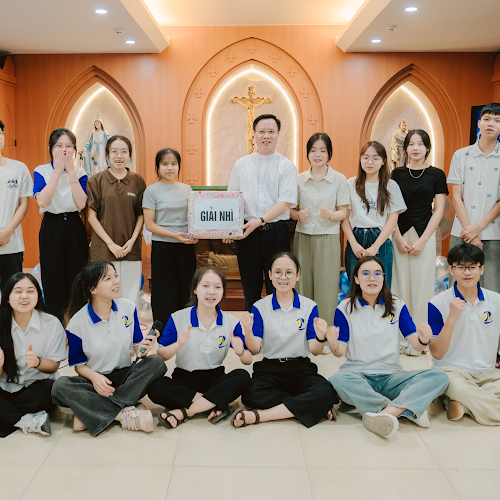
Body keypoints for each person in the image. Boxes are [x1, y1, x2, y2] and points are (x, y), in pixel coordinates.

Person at [329, 256, 449, 438]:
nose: (372, 278)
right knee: (338, 380)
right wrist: (332, 343)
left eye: (377, 273)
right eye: (366, 273)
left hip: (392, 376)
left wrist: (424, 340)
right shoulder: (345, 307)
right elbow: (340, 351)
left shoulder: (396, 304)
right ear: (356, 279)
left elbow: (415, 344)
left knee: (439, 377)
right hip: (358, 375)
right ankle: (402, 409)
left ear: (383, 278)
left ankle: (386, 413)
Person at [51, 261, 167, 437]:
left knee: (157, 362)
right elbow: (79, 365)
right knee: (59, 387)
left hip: (126, 377)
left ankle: (92, 411)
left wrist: (145, 348)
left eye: (116, 276)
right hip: (96, 382)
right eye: (108, 279)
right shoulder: (77, 323)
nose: (116, 281)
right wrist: (94, 377)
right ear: (92, 289)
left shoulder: (128, 307)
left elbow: (137, 349)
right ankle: (122, 413)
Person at [231, 252, 337, 428]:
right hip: (270, 369)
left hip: (300, 368)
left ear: (297, 275)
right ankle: (310, 405)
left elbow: (315, 350)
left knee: (326, 390)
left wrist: (320, 337)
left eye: (289, 272)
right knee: (251, 394)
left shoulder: (309, 306)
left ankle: (260, 416)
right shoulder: (260, 306)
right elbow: (255, 349)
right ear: (270, 275)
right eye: (278, 272)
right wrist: (248, 331)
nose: (283, 277)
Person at [148, 267, 251, 428]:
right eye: (205, 286)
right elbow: (161, 354)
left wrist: (241, 351)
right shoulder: (178, 318)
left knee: (243, 376)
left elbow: (248, 360)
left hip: (215, 379)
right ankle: (213, 402)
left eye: (217, 287)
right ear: (195, 289)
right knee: (155, 387)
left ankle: (184, 412)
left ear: (223, 291)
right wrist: (178, 344)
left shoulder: (231, 322)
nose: (211, 292)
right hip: (184, 380)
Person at [225, 114, 298, 311]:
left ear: (278, 134)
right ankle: (253, 328)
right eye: (262, 132)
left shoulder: (287, 166)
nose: (266, 136)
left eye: (271, 132)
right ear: (254, 134)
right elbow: (231, 199)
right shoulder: (241, 165)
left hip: (276, 234)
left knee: (278, 288)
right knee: (250, 289)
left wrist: (260, 220)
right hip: (247, 235)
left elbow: (285, 203)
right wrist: (228, 228)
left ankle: (276, 327)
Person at [428, 243, 500, 425]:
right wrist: (452, 318)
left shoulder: (496, 300)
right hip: (452, 372)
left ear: (482, 269)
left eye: (472, 267)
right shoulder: (437, 303)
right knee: (455, 386)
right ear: (451, 270)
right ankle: (464, 398)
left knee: (474, 390)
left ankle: (463, 405)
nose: (467, 272)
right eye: (461, 267)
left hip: (487, 373)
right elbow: (437, 353)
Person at [391, 129, 448, 355]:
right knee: (399, 286)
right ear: (405, 148)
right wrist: (397, 236)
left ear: (427, 148)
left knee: (423, 287)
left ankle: (420, 338)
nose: (415, 148)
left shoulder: (436, 174)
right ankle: (400, 337)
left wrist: (424, 241)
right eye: (411, 144)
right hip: (400, 235)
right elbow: (390, 208)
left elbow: (439, 209)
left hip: (425, 235)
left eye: (420, 144)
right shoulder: (396, 174)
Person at [290, 132, 349, 326]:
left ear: (329, 153)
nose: (318, 154)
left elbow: (344, 213)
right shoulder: (299, 179)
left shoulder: (339, 179)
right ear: (308, 153)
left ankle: (323, 331)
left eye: (323, 150)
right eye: (313, 150)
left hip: (328, 238)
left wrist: (330, 215)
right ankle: (304, 330)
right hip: (303, 237)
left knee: (326, 288)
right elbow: (290, 210)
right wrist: (298, 215)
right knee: (302, 285)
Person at [0, 273, 65, 437]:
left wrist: (37, 363)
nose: (24, 296)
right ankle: (25, 420)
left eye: (30, 291)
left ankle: (7, 415)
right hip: (5, 386)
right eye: (18, 291)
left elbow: (54, 366)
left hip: (37, 388)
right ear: (7, 298)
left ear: (38, 296)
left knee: (53, 389)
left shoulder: (51, 324)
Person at [33, 128, 88, 321]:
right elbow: (42, 201)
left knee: (76, 277)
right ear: (51, 148)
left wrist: (71, 172)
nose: (64, 150)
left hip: (74, 225)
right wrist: (57, 171)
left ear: (74, 149)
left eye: (68, 146)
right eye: (59, 145)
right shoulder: (41, 171)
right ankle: (55, 324)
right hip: (51, 226)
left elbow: (81, 203)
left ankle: (76, 324)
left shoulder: (80, 172)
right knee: (53, 278)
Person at [447, 103, 500, 293]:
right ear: (479, 123)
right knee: (458, 288)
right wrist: (470, 231)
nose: (490, 124)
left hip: (493, 235)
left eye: (497, 120)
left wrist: (477, 229)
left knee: (491, 288)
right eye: (486, 119)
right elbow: (456, 196)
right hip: (461, 231)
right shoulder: (461, 155)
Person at [86, 135, 146, 304]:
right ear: (107, 155)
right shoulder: (96, 180)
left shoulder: (138, 181)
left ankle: (128, 323)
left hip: (130, 250)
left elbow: (141, 214)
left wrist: (132, 241)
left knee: (130, 298)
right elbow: (91, 216)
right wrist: (110, 244)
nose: (119, 156)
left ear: (130, 155)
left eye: (124, 152)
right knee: (104, 298)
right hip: (103, 250)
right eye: (114, 152)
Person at [143, 148, 198, 329]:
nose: (170, 168)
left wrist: (196, 234)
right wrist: (174, 235)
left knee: (186, 289)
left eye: (174, 163)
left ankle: (184, 330)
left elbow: (194, 219)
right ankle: (163, 332)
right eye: (165, 164)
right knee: (164, 292)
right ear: (157, 167)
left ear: (179, 166)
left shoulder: (187, 189)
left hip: (185, 247)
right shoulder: (152, 191)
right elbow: (150, 224)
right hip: (163, 247)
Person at [342, 141, 406, 289]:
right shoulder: (350, 184)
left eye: (375, 158)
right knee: (355, 287)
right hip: (356, 238)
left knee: (381, 287)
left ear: (383, 161)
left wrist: (376, 246)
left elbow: (392, 219)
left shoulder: (391, 186)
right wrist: (353, 244)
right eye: (366, 157)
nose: (370, 162)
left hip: (381, 239)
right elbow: (344, 217)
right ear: (360, 159)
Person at [0, 120, 33, 290]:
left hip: (12, 245)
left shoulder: (19, 168)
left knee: (11, 295)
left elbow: (23, 205)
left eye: (0, 133)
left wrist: (8, 231)